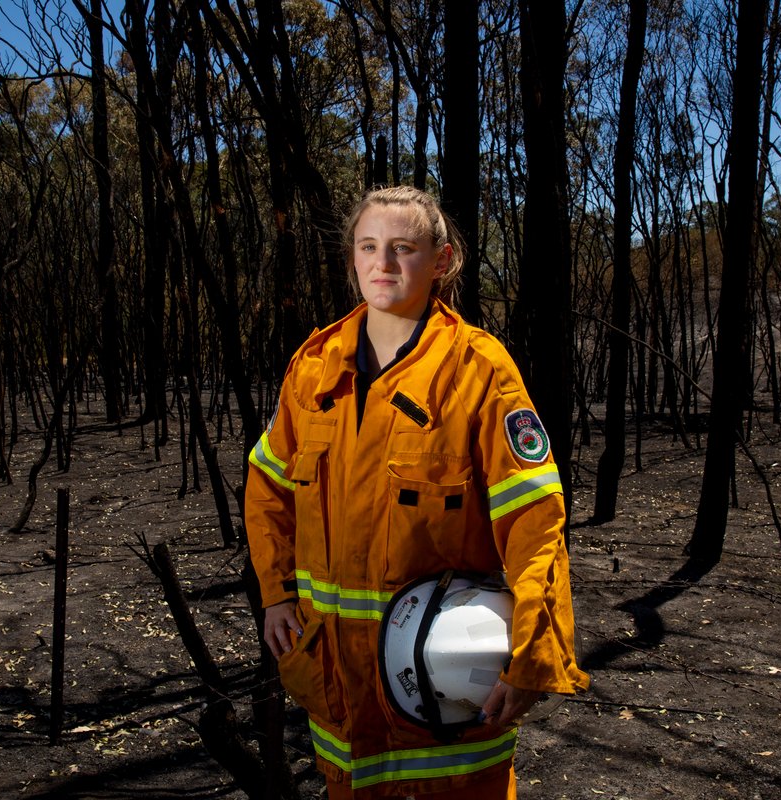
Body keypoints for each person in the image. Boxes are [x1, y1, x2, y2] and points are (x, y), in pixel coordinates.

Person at [245, 186, 588, 799]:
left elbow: (534, 519)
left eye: (404, 248)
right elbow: (269, 486)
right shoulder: (314, 367)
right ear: (351, 259)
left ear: (442, 260)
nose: (384, 264)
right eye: (369, 246)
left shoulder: (478, 370)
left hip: (443, 697)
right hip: (336, 685)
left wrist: (533, 656)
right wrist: (276, 594)